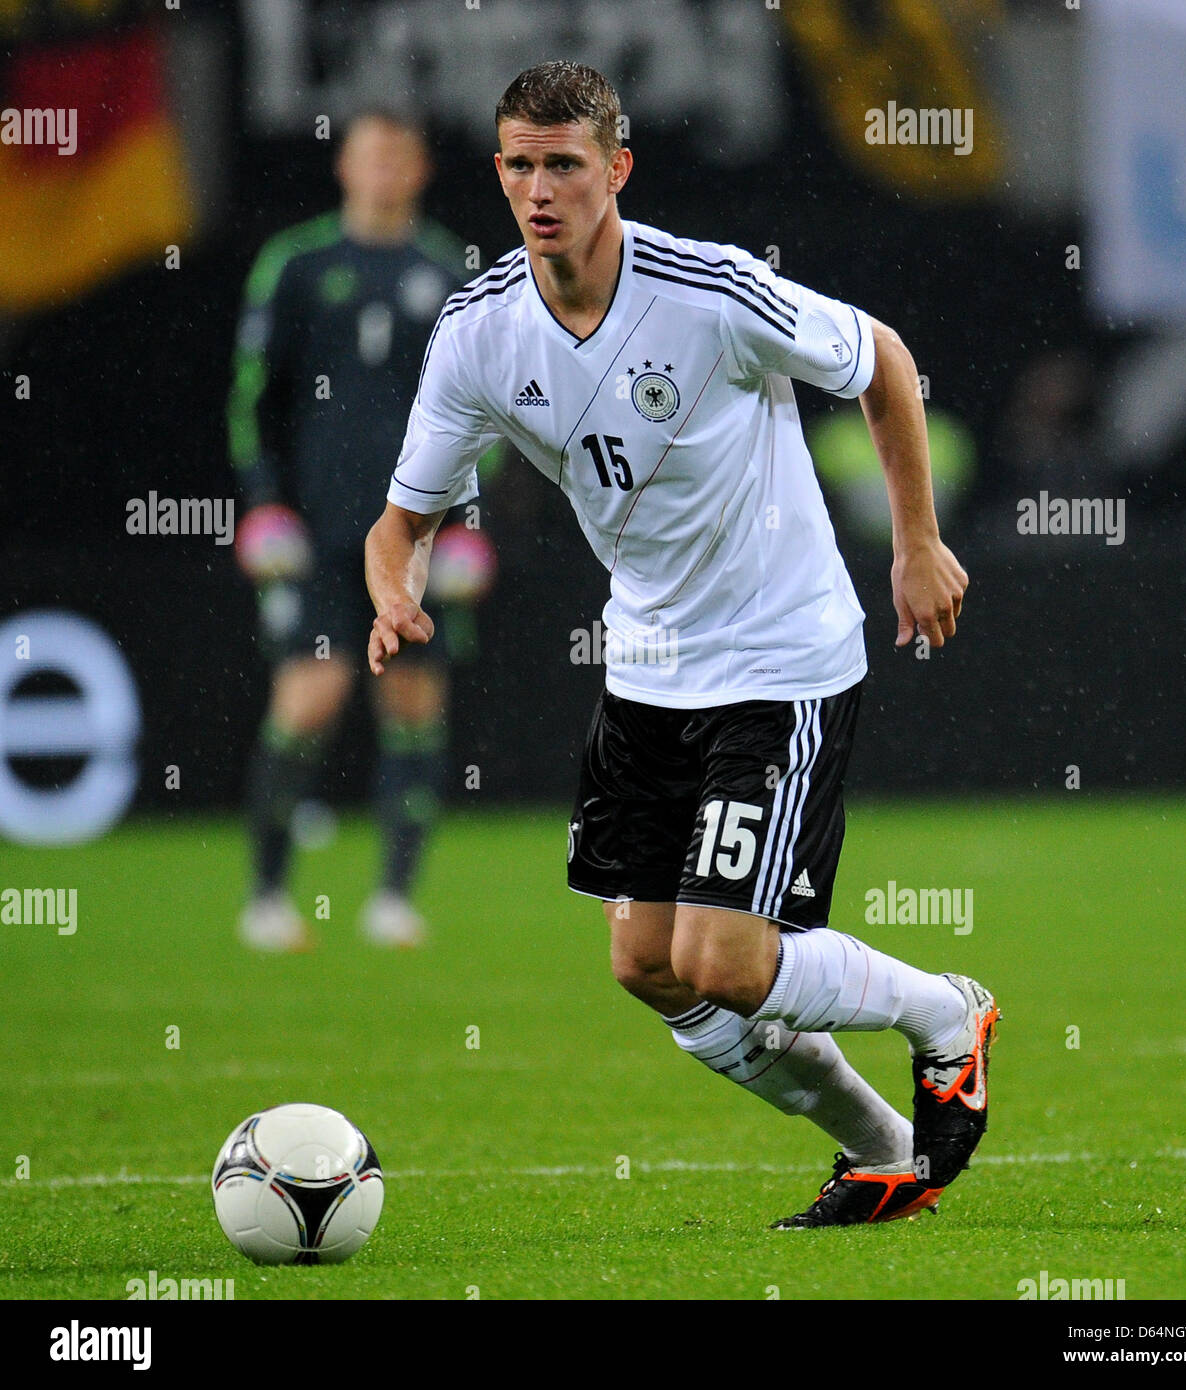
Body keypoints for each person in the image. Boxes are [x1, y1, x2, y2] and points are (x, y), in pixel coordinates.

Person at [365, 61, 999, 1226]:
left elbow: (885, 360)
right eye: (518, 162)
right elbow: (402, 518)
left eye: (564, 163)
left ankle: (945, 1011)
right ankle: (887, 1149)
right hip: (646, 667)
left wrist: (916, 543)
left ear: (618, 168)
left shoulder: (708, 292)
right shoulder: (478, 332)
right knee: (647, 967)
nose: (539, 187)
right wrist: (392, 590)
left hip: (781, 655)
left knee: (722, 961)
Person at [229, 107, 482, 951]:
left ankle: (394, 898)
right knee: (310, 700)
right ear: (344, 167)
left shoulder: (448, 273)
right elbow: (253, 396)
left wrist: (470, 523)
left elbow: (488, 414)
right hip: (318, 531)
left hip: (417, 537)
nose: (381, 170)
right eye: (367, 155)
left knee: (415, 707)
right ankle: (266, 897)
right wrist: (263, 502)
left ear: (418, 170)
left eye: (396, 156)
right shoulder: (298, 264)